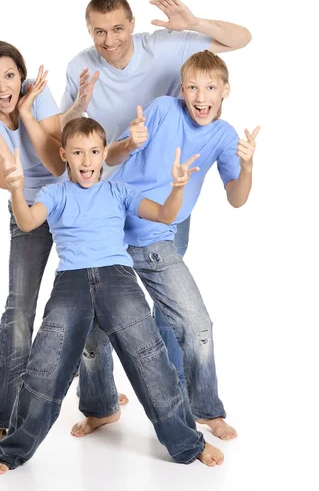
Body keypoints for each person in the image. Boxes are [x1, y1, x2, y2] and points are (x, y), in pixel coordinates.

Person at [0, 117, 225, 474]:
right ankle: (14, 451)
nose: (87, 161)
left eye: (95, 152)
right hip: (71, 284)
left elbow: (163, 214)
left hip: (118, 280)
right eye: (78, 153)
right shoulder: (54, 193)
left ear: (103, 154)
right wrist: (16, 189)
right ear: (64, 154)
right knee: (44, 367)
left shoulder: (119, 190)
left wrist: (177, 188)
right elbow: (28, 222)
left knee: (151, 361)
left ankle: (189, 443)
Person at [73, 50, 259, 441]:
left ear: (226, 90)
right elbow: (110, 156)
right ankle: (101, 407)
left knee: (197, 324)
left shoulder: (224, 137)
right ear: (182, 88)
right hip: (110, 232)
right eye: (192, 86)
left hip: (158, 238)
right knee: (89, 328)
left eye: (210, 87)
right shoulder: (161, 109)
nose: (200, 95)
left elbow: (237, 199)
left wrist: (247, 167)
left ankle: (205, 407)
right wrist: (130, 141)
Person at [60, 0, 252, 258]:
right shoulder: (80, 66)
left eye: (118, 28)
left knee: (167, 287)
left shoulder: (163, 48)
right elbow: (64, 132)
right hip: (115, 186)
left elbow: (242, 38)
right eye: (99, 32)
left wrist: (194, 23)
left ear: (132, 24)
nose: (110, 40)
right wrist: (79, 106)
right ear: (89, 31)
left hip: (170, 194)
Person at [0, 40, 65, 448]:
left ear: (22, 75)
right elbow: (6, 180)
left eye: (9, 76)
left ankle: (98, 396)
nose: (3, 87)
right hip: (26, 210)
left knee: (90, 298)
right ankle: (0, 415)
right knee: (19, 308)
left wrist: (24, 111)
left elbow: (58, 164)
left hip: (71, 203)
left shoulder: (37, 92)